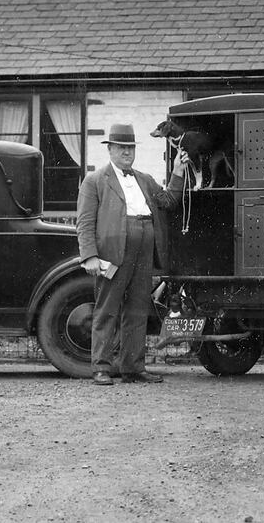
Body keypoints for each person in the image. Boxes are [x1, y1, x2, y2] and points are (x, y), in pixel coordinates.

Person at [76, 123, 183, 385]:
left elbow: (168, 200)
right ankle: (101, 368)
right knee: (107, 309)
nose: (126, 152)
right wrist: (89, 256)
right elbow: (85, 221)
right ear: (110, 149)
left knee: (137, 310)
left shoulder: (144, 179)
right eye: (121, 147)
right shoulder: (94, 181)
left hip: (144, 251)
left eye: (130, 148)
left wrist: (179, 171)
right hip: (113, 254)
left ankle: (133, 368)